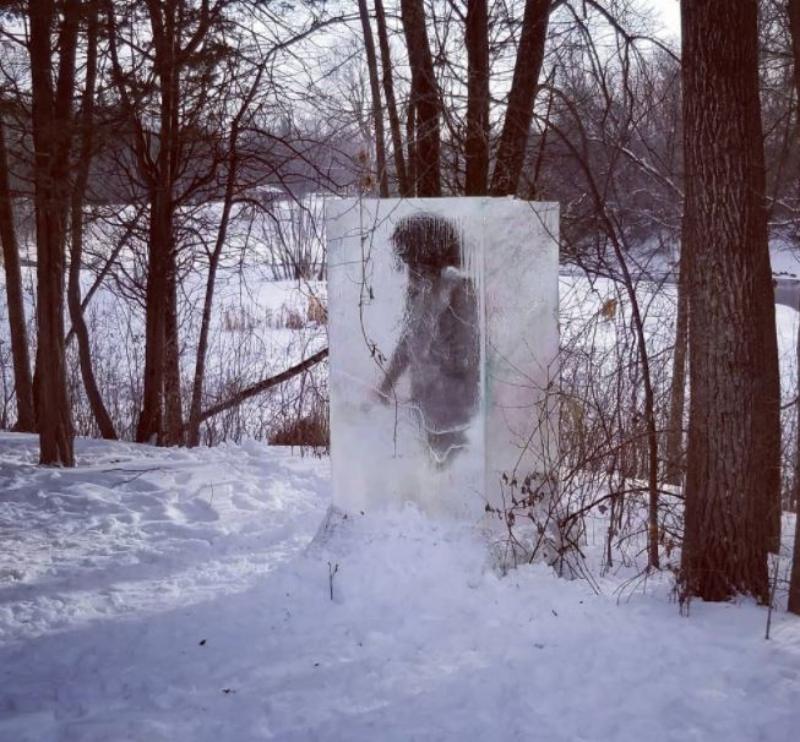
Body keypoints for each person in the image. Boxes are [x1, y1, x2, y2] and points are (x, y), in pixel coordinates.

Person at [377, 213, 480, 466]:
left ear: (426, 252)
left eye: (410, 257)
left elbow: (467, 355)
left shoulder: (459, 289)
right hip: (425, 402)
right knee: (429, 471)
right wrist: (385, 386)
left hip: (453, 407)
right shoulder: (418, 290)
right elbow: (409, 339)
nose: (406, 267)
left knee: (450, 471)